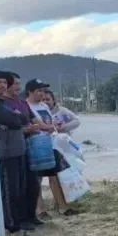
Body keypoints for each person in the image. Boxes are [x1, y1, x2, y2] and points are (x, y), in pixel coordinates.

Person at [0, 70, 37, 236]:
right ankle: (12, 226)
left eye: (5, 82)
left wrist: (17, 119)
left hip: (18, 151)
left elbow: (22, 119)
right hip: (5, 153)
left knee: (18, 189)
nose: (3, 85)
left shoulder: (4, 103)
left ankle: (19, 221)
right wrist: (16, 118)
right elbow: (15, 120)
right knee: (9, 191)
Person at [25, 79, 79, 218]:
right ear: (30, 91)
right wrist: (47, 127)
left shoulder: (43, 106)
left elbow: (50, 123)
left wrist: (54, 126)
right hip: (35, 146)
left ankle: (62, 206)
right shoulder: (26, 106)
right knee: (37, 179)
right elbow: (36, 125)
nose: (42, 94)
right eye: (39, 91)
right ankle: (40, 210)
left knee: (54, 176)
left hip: (50, 144)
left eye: (43, 91)